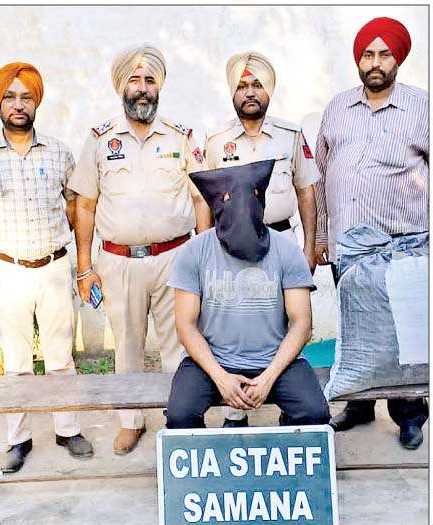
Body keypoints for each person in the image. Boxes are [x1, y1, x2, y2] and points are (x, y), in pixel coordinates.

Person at [69, 44, 212, 455]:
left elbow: (201, 199)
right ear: (121, 87)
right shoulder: (100, 139)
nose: (143, 88)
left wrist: (203, 255)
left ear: (159, 86)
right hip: (118, 262)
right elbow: (85, 205)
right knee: (127, 347)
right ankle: (131, 422)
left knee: (179, 345)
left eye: (150, 80)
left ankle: (180, 418)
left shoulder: (181, 136)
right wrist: (85, 267)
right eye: (135, 80)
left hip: (176, 259)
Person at [314, 17, 429, 449]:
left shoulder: (421, 107)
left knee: (404, 336)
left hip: (404, 246)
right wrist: (321, 236)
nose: (375, 63)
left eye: (384, 54)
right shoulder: (338, 107)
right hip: (349, 249)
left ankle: (410, 415)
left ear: (397, 58)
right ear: (358, 60)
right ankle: (359, 406)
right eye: (367, 55)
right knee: (355, 330)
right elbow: (320, 175)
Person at [0, 62, 94, 473]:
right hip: (7, 271)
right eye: (10, 97)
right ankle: (18, 439)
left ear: (36, 103)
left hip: (52, 267)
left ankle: (67, 429)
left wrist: (77, 260)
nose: (18, 104)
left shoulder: (59, 151)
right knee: (16, 362)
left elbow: (75, 205)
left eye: (25, 97)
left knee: (60, 356)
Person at [165, 160, 330, 429]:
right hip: (213, 360)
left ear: (261, 202)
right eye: (231, 200)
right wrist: (221, 377)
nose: (242, 209)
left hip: (274, 359)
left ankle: (287, 433)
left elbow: (302, 323)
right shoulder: (194, 252)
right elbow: (185, 325)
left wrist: (267, 378)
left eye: (250, 197)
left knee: (314, 413)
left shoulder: (287, 251)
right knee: (180, 416)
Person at [204, 50, 319, 427]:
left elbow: (306, 191)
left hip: (282, 246)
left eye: (257, 85)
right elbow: (205, 201)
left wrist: (308, 248)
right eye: (242, 86)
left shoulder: (290, 135)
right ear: (232, 93)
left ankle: (291, 407)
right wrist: (206, 254)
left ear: (269, 90)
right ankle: (235, 412)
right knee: (237, 329)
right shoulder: (217, 141)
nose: (250, 92)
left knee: (287, 326)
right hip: (231, 250)